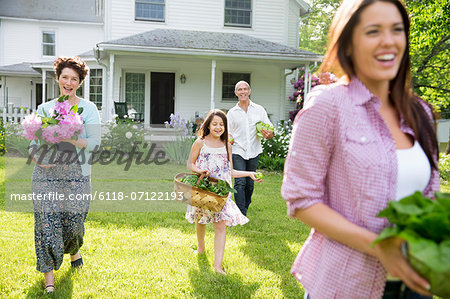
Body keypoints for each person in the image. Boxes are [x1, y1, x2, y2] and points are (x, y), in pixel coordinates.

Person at [281, 0, 440, 298]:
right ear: (349, 43)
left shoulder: (420, 112)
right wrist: (379, 246)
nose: (389, 41)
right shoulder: (327, 106)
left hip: (417, 281)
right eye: (373, 31)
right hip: (346, 283)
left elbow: (429, 197)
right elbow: (301, 198)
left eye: (397, 30)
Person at [30, 56, 101, 294]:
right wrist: (40, 158)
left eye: (74, 78)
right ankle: (48, 275)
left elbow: (94, 144)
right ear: (58, 79)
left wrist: (69, 136)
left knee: (74, 224)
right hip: (46, 174)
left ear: (80, 82)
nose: (68, 82)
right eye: (65, 77)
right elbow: (34, 143)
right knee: (46, 224)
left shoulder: (88, 109)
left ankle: (74, 250)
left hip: (77, 173)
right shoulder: (45, 109)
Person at [185, 109, 262, 275]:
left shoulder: (227, 146)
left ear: (225, 127)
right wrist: (199, 170)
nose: (218, 127)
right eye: (215, 124)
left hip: (221, 192)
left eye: (221, 124)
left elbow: (230, 172)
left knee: (220, 226)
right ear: (208, 125)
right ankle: (201, 247)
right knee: (201, 218)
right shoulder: (200, 142)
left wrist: (249, 173)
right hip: (204, 187)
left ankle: (218, 266)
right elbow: (190, 164)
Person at [227, 81, 274, 216]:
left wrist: (270, 134)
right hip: (237, 151)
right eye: (239, 90)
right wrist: (229, 137)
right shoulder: (232, 113)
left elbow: (270, 130)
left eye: (245, 89)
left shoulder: (259, 110)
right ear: (236, 93)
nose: (242, 92)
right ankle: (241, 213)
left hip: (254, 151)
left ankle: (245, 207)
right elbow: (228, 132)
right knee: (240, 182)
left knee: (249, 184)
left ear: (249, 91)